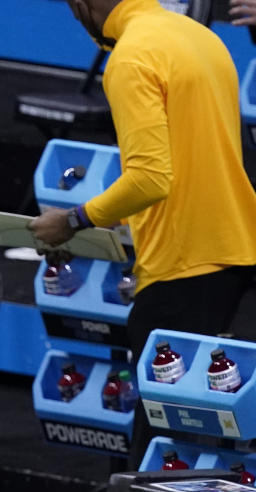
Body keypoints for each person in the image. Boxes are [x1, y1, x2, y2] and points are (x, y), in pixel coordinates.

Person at [29, 0, 256, 465]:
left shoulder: (132, 57)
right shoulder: (201, 37)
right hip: (234, 246)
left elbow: (151, 177)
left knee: (156, 452)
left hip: (181, 264)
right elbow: (197, 155)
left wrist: (72, 219)